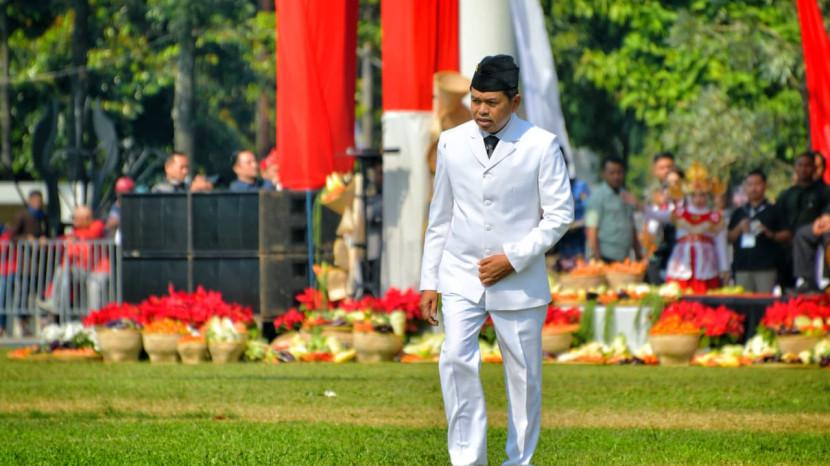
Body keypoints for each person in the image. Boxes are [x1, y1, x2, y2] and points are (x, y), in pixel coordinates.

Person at [419, 55, 573, 466]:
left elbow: (560, 215)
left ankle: (518, 461)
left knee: (523, 377)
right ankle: (467, 460)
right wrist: (429, 281)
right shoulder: (451, 142)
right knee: (455, 359)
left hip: (518, 279)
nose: (481, 110)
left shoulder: (541, 144)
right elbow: (440, 216)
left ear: (514, 101)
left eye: (491, 102)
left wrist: (513, 258)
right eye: (475, 100)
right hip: (460, 272)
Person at [665, 162, 729, 293]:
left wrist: (724, 268)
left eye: (702, 195)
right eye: (693, 195)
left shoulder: (714, 217)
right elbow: (658, 215)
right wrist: (641, 207)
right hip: (682, 262)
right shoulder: (679, 214)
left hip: (706, 264)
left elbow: (721, 243)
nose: (698, 199)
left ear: (708, 196)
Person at [727, 170, 789, 293]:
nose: (753, 188)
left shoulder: (774, 210)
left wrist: (770, 234)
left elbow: (787, 234)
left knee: (765, 301)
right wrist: (739, 228)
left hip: (766, 267)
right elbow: (728, 238)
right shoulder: (739, 212)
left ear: (765, 186)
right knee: (743, 301)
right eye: (749, 185)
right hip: (742, 267)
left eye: (757, 184)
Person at [775, 152, 830, 288]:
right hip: (788, 245)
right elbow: (777, 219)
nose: (803, 169)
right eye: (800, 165)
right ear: (795, 167)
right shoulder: (786, 195)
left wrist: (824, 219)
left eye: (807, 165)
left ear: (814, 168)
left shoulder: (824, 191)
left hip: (817, 236)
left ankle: (812, 282)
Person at [585, 157, 642, 263]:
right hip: (604, 257)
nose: (616, 176)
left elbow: (632, 226)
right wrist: (597, 258)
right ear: (604, 174)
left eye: (619, 172)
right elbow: (591, 228)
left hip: (624, 258)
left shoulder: (626, 195)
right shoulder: (597, 197)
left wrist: (638, 254)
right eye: (612, 173)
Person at [644, 152, 677, 283]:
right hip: (657, 250)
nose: (666, 171)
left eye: (669, 167)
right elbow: (647, 223)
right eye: (662, 168)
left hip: (677, 248)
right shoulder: (651, 193)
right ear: (655, 171)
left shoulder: (684, 191)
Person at [106, 176, 135, 243]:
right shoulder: (115, 206)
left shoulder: (136, 206)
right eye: (119, 192)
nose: (120, 196)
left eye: (123, 193)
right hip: (120, 242)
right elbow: (110, 224)